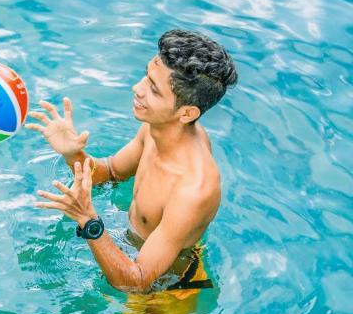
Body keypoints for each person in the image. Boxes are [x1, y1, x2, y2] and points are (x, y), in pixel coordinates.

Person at [29, 29, 238, 294]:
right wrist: (72, 153)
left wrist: (88, 220)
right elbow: (111, 171)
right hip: (130, 250)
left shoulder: (194, 190)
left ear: (187, 113)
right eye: (146, 77)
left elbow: (134, 282)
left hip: (165, 291)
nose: (137, 89)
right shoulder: (157, 129)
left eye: (154, 89)